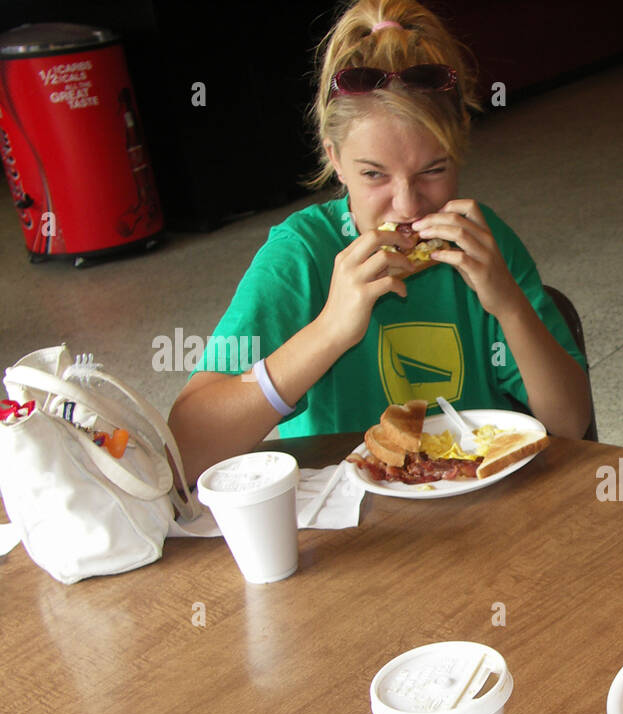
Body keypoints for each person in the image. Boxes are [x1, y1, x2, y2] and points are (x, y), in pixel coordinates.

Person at [168, 0, 591, 478]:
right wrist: (329, 331)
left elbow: (570, 424)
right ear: (335, 160)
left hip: (485, 509)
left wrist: (509, 305)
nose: (408, 206)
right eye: (374, 175)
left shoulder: (483, 241)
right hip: (356, 529)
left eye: (433, 170)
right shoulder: (300, 256)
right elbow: (186, 447)